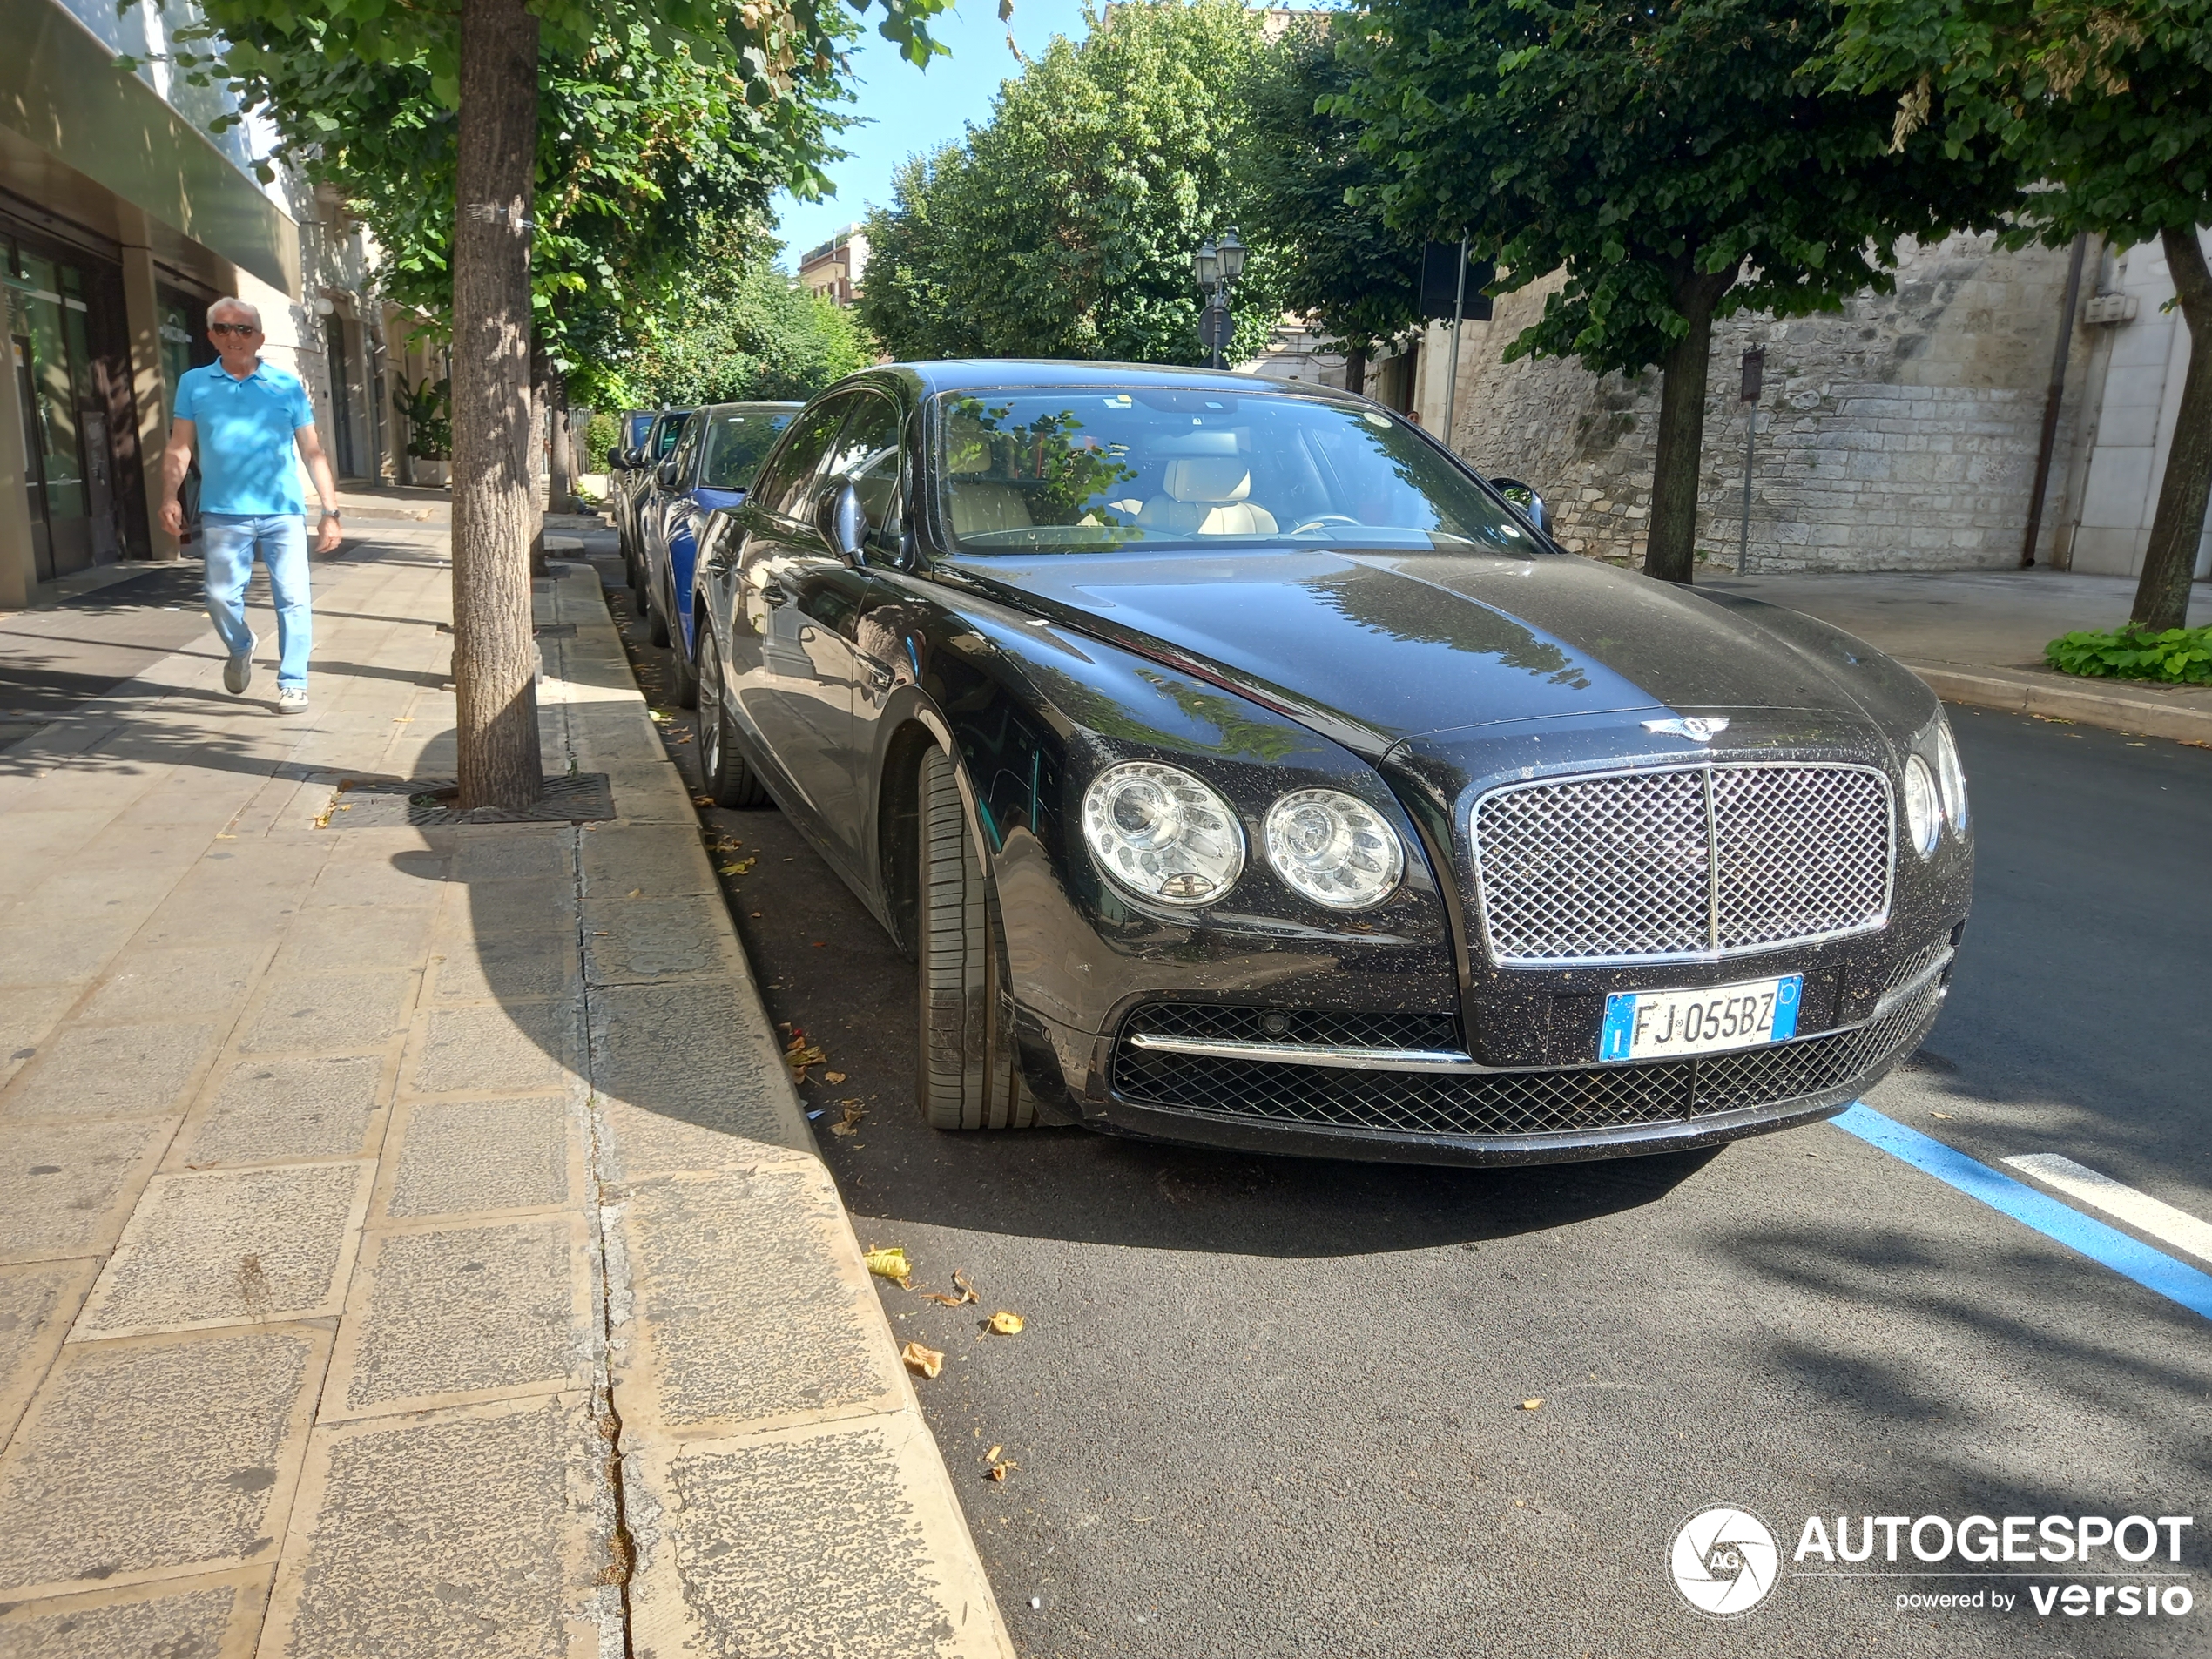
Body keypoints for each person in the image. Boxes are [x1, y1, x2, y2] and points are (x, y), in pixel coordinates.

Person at [160, 298, 343, 713]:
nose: (234, 337)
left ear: (259, 338)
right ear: (211, 336)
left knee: (294, 598)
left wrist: (329, 513)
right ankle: (241, 645)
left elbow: (313, 452)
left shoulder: (286, 386)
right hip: (223, 513)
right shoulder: (194, 383)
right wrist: (169, 496)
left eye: (244, 329)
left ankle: (294, 681)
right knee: (219, 597)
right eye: (223, 329)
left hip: (282, 512)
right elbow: (179, 446)